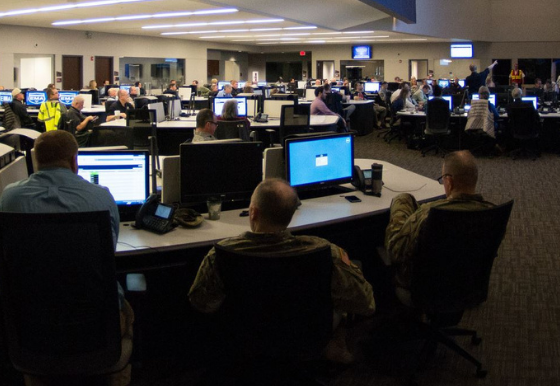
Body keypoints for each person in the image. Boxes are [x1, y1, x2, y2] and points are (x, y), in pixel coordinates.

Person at [0, 130, 131, 386]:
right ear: (74, 161)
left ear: (35, 161)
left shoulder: (10, 199)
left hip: (33, 323)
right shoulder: (101, 197)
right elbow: (110, 251)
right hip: (95, 322)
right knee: (128, 309)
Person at [189, 178, 375, 363]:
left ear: (252, 213)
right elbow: (366, 303)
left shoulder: (221, 253)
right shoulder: (327, 252)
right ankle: (334, 347)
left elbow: (201, 303)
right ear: (291, 214)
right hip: (306, 334)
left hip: (244, 336)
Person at [384, 150, 493, 298]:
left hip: (425, 288)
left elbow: (396, 251)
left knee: (402, 200)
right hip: (468, 281)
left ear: (449, 181)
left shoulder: (430, 214)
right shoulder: (492, 213)